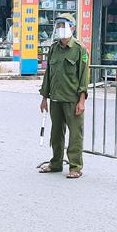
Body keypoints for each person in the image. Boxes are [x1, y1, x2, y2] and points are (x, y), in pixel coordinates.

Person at [38, 13, 90, 179]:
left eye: (64, 25)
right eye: (58, 25)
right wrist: (44, 98)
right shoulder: (53, 48)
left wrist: (81, 101)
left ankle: (75, 167)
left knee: (75, 134)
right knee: (56, 134)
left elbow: (84, 77)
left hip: (72, 99)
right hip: (55, 99)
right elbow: (48, 74)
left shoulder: (80, 49)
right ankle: (56, 163)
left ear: (72, 28)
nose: (60, 29)